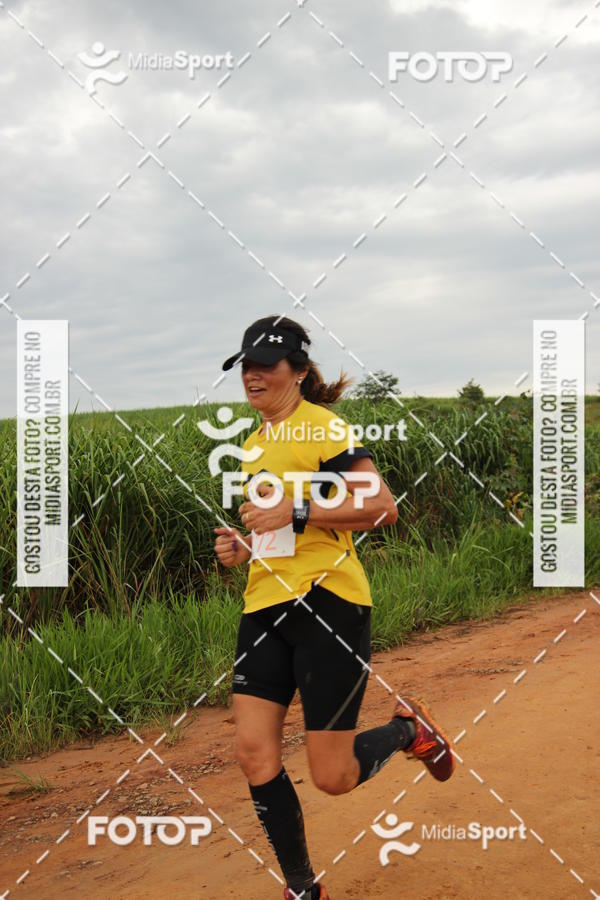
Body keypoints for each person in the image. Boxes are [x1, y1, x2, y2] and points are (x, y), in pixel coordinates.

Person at [214, 315, 455, 900]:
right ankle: (303, 888)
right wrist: (246, 547)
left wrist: (294, 511)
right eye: (246, 365)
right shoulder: (252, 446)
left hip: (329, 603)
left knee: (334, 776)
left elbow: (382, 508)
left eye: (266, 364)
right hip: (264, 604)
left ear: (297, 372)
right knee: (253, 754)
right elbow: (282, 531)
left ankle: (407, 730)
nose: (253, 375)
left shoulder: (322, 427)